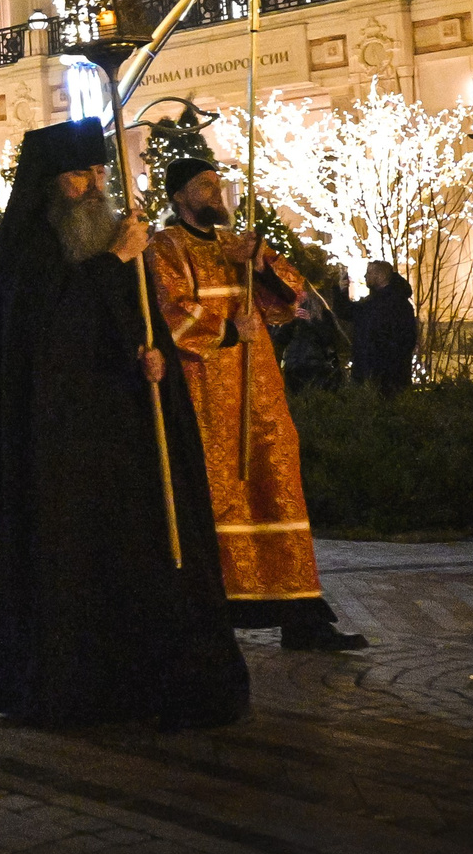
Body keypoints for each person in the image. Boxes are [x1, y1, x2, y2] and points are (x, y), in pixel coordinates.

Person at [0, 119, 248, 730]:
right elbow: (52, 333)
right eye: (82, 175)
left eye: (100, 173)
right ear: (54, 184)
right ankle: (72, 681)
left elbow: (132, 316)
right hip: (58, 442)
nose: (96, 185)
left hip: (124, 426)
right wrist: (114, 260)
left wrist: (154, 350)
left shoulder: (118, 236)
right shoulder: (28, 248)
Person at [149, 160, 368, 653]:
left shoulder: (239, 245)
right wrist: (227, 330)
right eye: (204, 185)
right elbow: (169, 311)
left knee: (278, 485)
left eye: (217, 184)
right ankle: (214, 609)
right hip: (207, 390)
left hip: (261, 388)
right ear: (180, 196)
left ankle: (301, 616)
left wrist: (259, 264)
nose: (216, 191)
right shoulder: (165, 247)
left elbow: (291, 299)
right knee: (219, 490)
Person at [337, 261, 419, 393]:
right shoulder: (378, 303)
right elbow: (347, 312)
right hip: (384, 375)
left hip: (384, 377)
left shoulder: (388, 305)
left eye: (369, 273)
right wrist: (341, 291)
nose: (365, 276)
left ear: (380, 276)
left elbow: (405, 340)